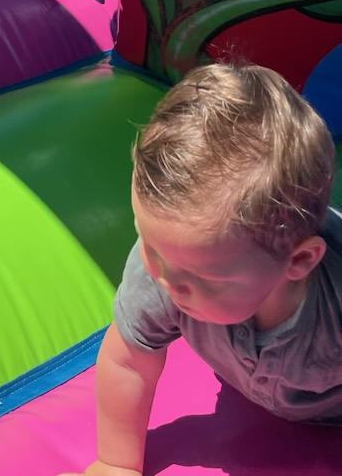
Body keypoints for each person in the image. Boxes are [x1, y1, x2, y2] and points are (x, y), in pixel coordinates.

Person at [62, 61, 342, 476]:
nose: (167, 280)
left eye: (205, 278)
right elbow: (128, 361)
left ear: (298, 262)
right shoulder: (168, 264)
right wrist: (115, 463)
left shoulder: (334, 302)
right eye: (149, 244)